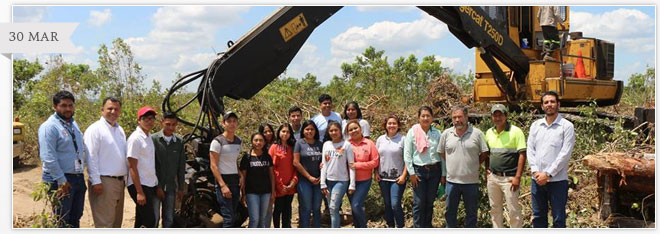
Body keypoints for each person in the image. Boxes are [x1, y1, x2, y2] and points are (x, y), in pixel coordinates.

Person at [38, 90, 88, 228]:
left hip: (77, 177)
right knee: (62, 219)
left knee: (75, 217)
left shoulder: (72, 124)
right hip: (60, 179)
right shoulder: (49, 127)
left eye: (70, 105)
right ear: (55, 107)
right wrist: (61, 180)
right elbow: (48, 157)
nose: (68, 109)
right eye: (63, 105)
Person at [527, 91, 575, 228]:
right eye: (546, 102)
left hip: (557, 181)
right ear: (542, 106)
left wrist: (548, 174)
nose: (549, 105)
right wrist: (536, 171)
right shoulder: (535, 126)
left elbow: (565, 154)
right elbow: (530, 150)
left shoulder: (566, 126)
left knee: (558, 218)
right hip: (537, 180)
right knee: (538, 217)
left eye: (552, 102)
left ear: (558, 104)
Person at [438, 105, 489, 228]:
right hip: (452, 182)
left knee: (471, 213)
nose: (457, 120)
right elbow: (441, 152)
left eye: (459, 116)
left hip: (471, 182)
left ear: (466, 117)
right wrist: (452, 162)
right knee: (450, 212)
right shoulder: (446, 134)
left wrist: (474, 163)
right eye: (454, 117)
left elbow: (485, 153)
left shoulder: (477, 134)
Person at [84, 97, 127, 228]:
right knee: (105, 223)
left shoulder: (120, 130)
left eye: (116, 109)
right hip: (104, 182)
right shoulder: (95, 129)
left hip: (119, 182)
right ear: (102, 110)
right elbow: (91, 156)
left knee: (116, 222)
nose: (113, 111)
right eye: (110, 108)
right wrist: (96, 181)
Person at [484, 104, 527, 228]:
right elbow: (487, 153)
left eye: (500, 115)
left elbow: (522, 154)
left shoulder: (516, 132)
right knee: (495, 209)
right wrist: (487, 170)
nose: (497, 118)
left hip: (509, 178)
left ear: (506, 116)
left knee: (513, 210)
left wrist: (517, 177)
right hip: (493, 177)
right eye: (495, 115)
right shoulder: (489, 132)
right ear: (492, 117)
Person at [403, 106, 445, 228]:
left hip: (435, 171)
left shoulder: (437, 133)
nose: (425, 118)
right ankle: (418, 227)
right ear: (418, 118)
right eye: (423, 116)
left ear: (432, 118)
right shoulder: (412, 132)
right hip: (418, 172)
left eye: (428, 116)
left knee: (430, 201)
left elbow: (442, 155)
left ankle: (427, 226)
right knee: (419, 202)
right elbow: (407, 154)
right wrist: (411, 173)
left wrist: (443, 174)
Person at [126, 106, 159, 228]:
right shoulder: (135, 139)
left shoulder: (148, 136)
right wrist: (139, 192)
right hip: (139, 185)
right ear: (139, 120)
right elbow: (132, 166)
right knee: (150, 220)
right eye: (146, 119)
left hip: (149, 184)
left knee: (141, 220)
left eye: (152, 118)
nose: (149, 121)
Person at [209, 112, 243, 228]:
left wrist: (240, 175)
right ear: (223, 124)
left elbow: (234, 161)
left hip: (235, 181)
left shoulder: (239, 141)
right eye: (229, 121)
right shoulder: (217, 142)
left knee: (233, 214)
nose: (232, 124)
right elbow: (213, 166)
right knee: (228, 217)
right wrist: (222, 185)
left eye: (234, 121)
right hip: (224, 180)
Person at [152, 112, 186, 228]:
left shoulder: (179, 142)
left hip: (171, 188)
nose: (171, 127)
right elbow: (151, 166)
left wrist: (181, 188)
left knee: (169, 218)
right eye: (168, 124)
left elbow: (181, 167)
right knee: (154, 218)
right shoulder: (153, 140)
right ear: (162, 122)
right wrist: (158, 186)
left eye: (173, 125)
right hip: (155, 187)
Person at [320, 121, 355, 228]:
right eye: (331, 130)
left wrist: (352, 184)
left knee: (333, 207)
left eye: (336, 130)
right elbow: (323, 164)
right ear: (328, 132)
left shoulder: (346, 145)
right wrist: (322, 183)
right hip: (328, 181)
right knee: (332, 210)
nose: (334, 132)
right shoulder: (326, 145)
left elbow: (351, 165)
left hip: (341, 181)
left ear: (340, 131)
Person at [375, 114, 407, 228]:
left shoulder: (403, 139)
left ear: (398, 125)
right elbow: (376, 157)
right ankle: (390, 225)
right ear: (385, 125)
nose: (392, 125)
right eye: (389, 123)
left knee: (395, 204)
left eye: (394, 123)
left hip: (397, 179)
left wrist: (404, 175)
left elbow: (408, 159)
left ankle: (400, 226)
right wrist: (376, 172)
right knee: (387, 204)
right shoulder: (380, 139)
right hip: (383, 178)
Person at [346, 120, 379, 228]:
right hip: (349, 181)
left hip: (364, 181)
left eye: (355, 128)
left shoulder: (369, 143)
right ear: (348, 132)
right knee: (354, 207)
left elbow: (375, 162)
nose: (353, 131)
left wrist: (358, 165)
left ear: (360, 128)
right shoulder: (346, 145)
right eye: (350, 130)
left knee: (356, 205)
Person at [240, 133, 276, 228]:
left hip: (266, 192)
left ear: (264, 142)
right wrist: (243, 194)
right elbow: (243, 177)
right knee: (254, 219)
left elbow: (271, 175)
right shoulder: (247, 157)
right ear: (252, 141)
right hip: (251, 192)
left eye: (261, 140)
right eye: (256, 140)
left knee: (262, 219)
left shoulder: (267, 157)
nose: (258, 142)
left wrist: (273, 192)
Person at [292, 120, 323, 228]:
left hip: (319, 181)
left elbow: (325, 160)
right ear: (303, 131)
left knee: (317, 208)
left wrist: (322, 167)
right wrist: (309, 177)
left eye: (312, 129)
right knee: (306, 207)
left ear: (315, 131)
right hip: (304, 181)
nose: (309, 131)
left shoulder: (320, 144)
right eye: (307, 129)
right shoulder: (299, 143)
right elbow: (296, 162)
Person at [269, 123, 298, 228]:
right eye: (283, 131)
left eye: (288, 132)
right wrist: (280, 185)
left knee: (287, 210)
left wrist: (293, 182)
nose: (285, 134)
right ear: (279, 132)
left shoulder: (293, 147)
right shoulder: (274, 147)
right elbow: (272, 168)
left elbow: (296, 166)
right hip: (278, 186)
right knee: (278, 209)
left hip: (290, 185)